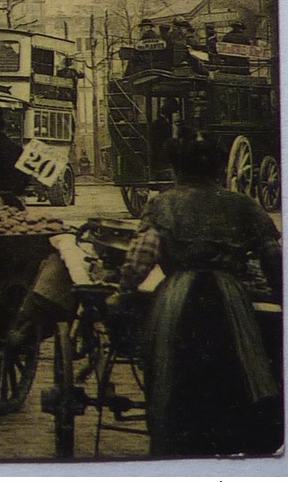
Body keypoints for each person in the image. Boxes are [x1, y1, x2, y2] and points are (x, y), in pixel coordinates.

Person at [117, 128, 282, 456]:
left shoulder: (163, 204)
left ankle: (175, 441)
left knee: (168, 368)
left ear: (177, 168)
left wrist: (124, 290)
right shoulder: (243, 205)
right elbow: (273, 257)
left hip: (175, 297)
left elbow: (142, 256)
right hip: (230, 297)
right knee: (240, 367)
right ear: (220, 168)